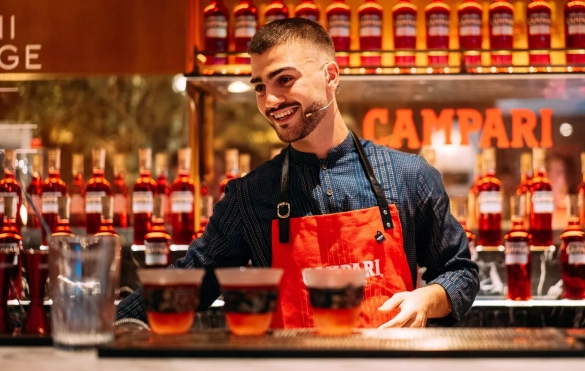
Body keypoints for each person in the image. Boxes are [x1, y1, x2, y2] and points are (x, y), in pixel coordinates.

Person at [117, 18, 479, 328]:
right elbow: (191, 280)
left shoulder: (408, 176)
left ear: (331, 76)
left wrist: (428, 299)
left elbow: (460, 271)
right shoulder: (251, 194)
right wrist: (115, 322)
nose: (270, 101)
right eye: (260, 87)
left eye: (284, 80)